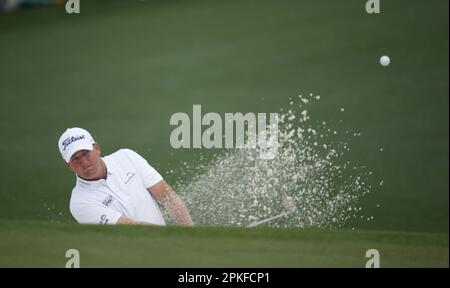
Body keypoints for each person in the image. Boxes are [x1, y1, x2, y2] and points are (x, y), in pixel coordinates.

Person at [58, 127, 193, 226]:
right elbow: (130, 228)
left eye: (85, 153)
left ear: (97, 148)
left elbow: (167, 196)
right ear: (68, 165)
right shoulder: (80, 202)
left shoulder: (127, 157)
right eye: (75, 158)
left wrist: (189, 236)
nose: (83, 161)